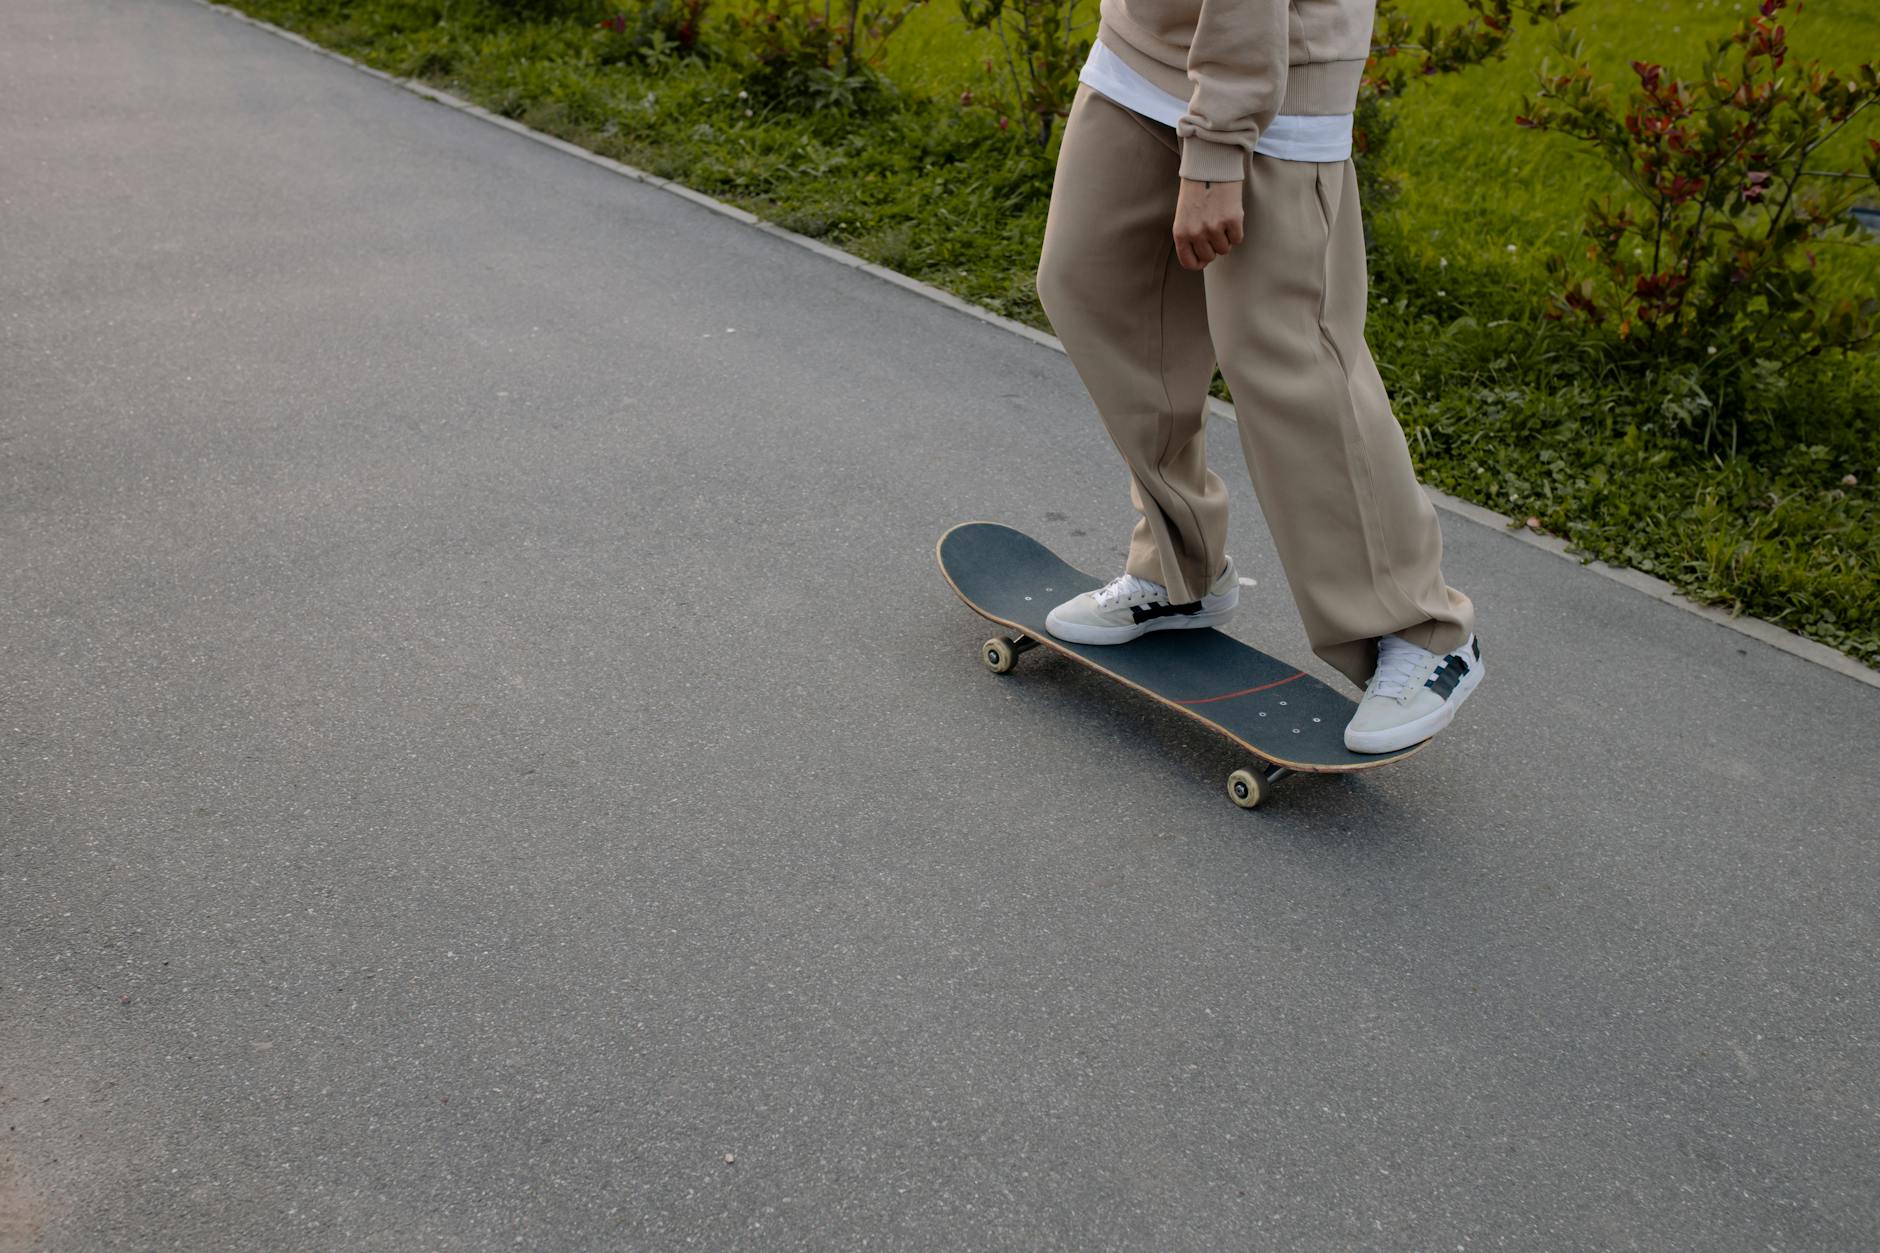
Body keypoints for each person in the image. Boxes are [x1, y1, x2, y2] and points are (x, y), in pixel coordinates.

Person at [1034, 0, 1484, 754]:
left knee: (1285, 356)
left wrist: (1216, 146)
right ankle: (1180, 572)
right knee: (1089, 282)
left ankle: (1425, 630)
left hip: (1275, 66)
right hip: (1146, 39)